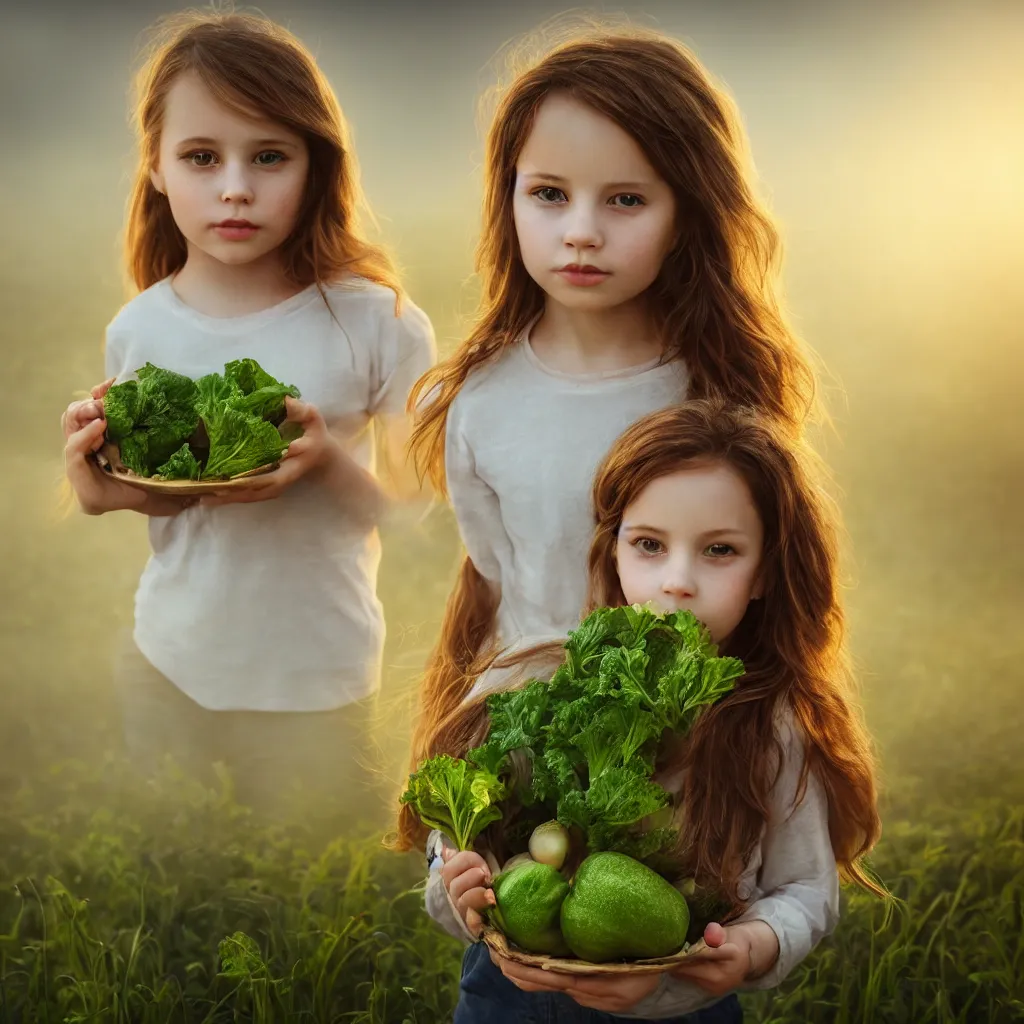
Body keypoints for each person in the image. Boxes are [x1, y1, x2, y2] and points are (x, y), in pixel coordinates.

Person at [400, 28, 820, 800]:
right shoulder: (479, 400)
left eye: (625, 199)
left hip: (695, 758)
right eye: (550, 194)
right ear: (509, 197)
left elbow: (766, 600)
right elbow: (495, 585)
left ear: (686, 212)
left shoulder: (720, 393)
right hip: (532, 746)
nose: (582, 231)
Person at [60, 11, 435, 818]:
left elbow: (413, 512)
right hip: (168, 661)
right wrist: (101, 485)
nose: (235, 186)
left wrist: (326, 462)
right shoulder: (140, 328)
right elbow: (159, 492)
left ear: (315, 166)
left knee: (298, 897)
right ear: (156, 168)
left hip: (315, 679)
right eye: (202, 157)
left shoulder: (378, 322)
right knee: (176, 882)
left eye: (269, 156)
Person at [422, 400, 882, 1021]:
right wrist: (458, 881)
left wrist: (750, 946)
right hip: (513, 995)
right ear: (612, 550)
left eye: (719, 550)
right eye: (649, 545)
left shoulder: (769, 723)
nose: (677, 581)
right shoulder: (533, 676)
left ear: (765, 574)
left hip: (683, 1000)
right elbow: (455, 832)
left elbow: (804, 890)